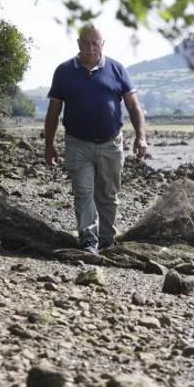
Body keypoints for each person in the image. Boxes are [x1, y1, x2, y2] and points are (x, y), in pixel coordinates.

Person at [43, 24, 148, 254]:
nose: (91, 47)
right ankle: (89, 242)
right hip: (77, 144)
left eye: (95, 43)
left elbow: (133, 106)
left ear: (102, 45)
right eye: (86, 43)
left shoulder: (117, 69)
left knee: (108, 195)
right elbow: (53, 112)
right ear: (78, 44)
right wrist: (49, 145)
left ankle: (107, 241)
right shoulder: (63, 71)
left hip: (111, 143)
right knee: (83, 192)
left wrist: (141, 137)